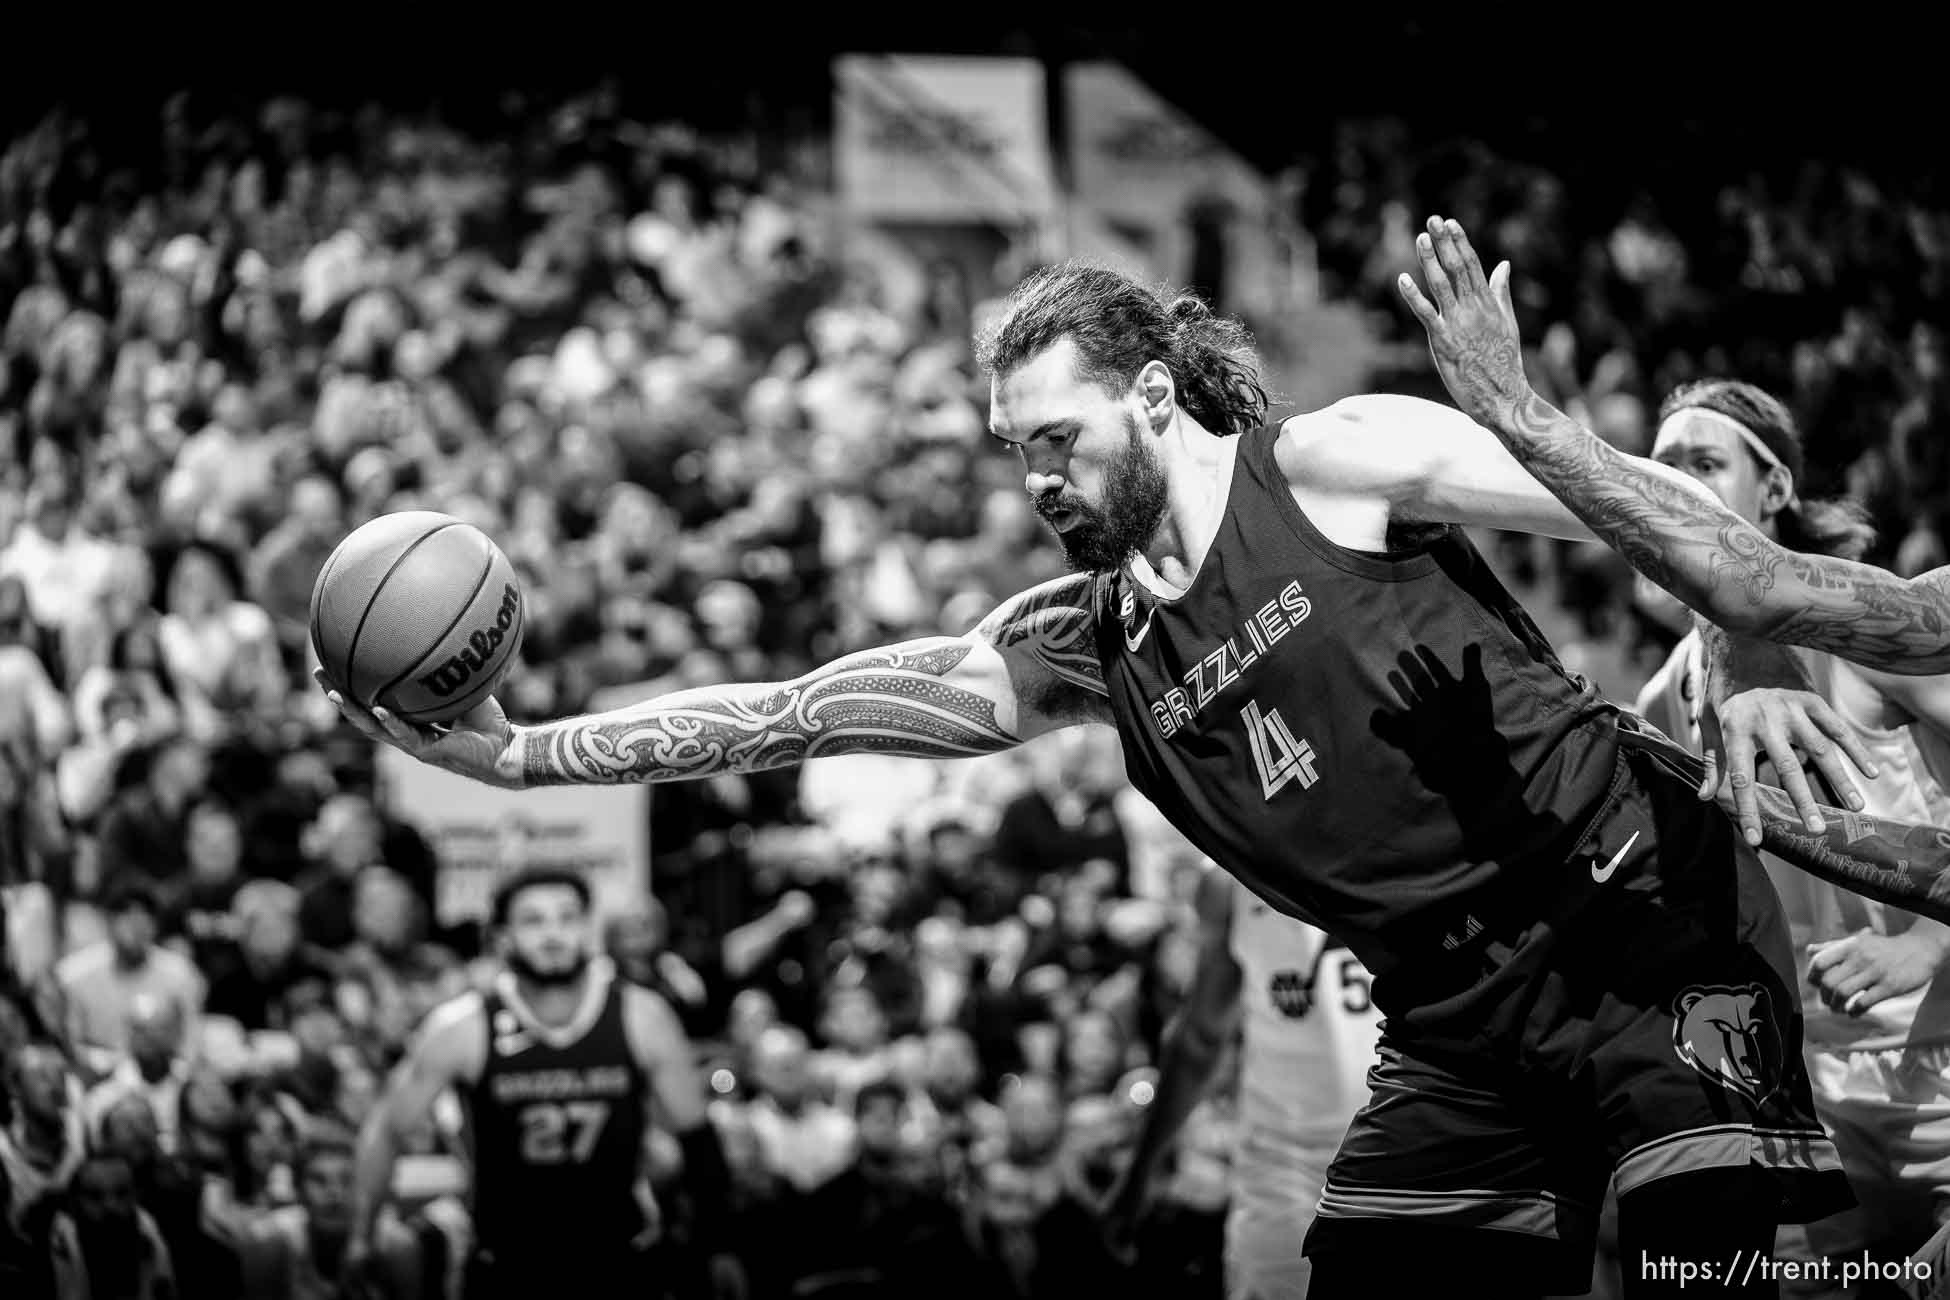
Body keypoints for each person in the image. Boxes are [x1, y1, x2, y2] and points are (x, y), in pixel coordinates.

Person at [326, 252, 1913, 1298]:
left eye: (1055, 436)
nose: (1032, 476)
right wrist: (520, 751)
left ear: (1151, 396)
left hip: (1645, 945)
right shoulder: (1081, 649)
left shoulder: (1335, 465)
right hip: (1457, 1034)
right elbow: (796, 714)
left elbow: (1655, 516)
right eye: (1010, 447)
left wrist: (1749, 648)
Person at [1631, 379, 1950, 1293]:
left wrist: (1929, 940)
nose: (1677, 487)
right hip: (1796, 1094)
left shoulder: (1863, 629)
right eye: (1658, 470)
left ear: (1772, 491)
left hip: (1935, 1074)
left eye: (1703, 464)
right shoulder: (1668, 693)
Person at [348, 866, 740, 1300]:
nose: (553, 934)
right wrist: (361, 1238)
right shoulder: (464, 1026)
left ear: (587, 929)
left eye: (567, 918)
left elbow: (698, 1137)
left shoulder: (641, 1016)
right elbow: (385, 1129)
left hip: (621, 1261)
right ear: (502, 937)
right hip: (508, 1265)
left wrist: (719, 1245)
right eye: (533, 920)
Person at [1104, 866, 1381, 1300]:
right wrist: (1140, 1171)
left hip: (1412, 1154)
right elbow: (1198, 1039)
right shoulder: (1227, 879)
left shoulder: (1419, 838)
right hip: (1285, 1164)